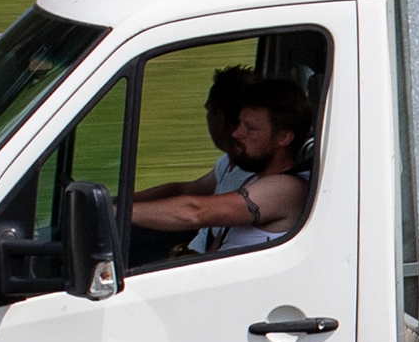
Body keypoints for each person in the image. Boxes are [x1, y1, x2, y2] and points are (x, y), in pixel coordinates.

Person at [133, 79, 315, 254]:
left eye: (250, 128)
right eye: (240, 123)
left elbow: (194, 212)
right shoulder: (254, 179)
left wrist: (118, 212)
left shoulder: (287, 189)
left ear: (283, 138)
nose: (236, 133)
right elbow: (215, 251)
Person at [134, 66, 256, 256]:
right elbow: (182, 190)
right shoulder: (229, 164)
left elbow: (194, 212)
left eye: (208, 111)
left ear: (220, 117)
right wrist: (123, 201)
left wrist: (122, 212)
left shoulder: (258, 177)